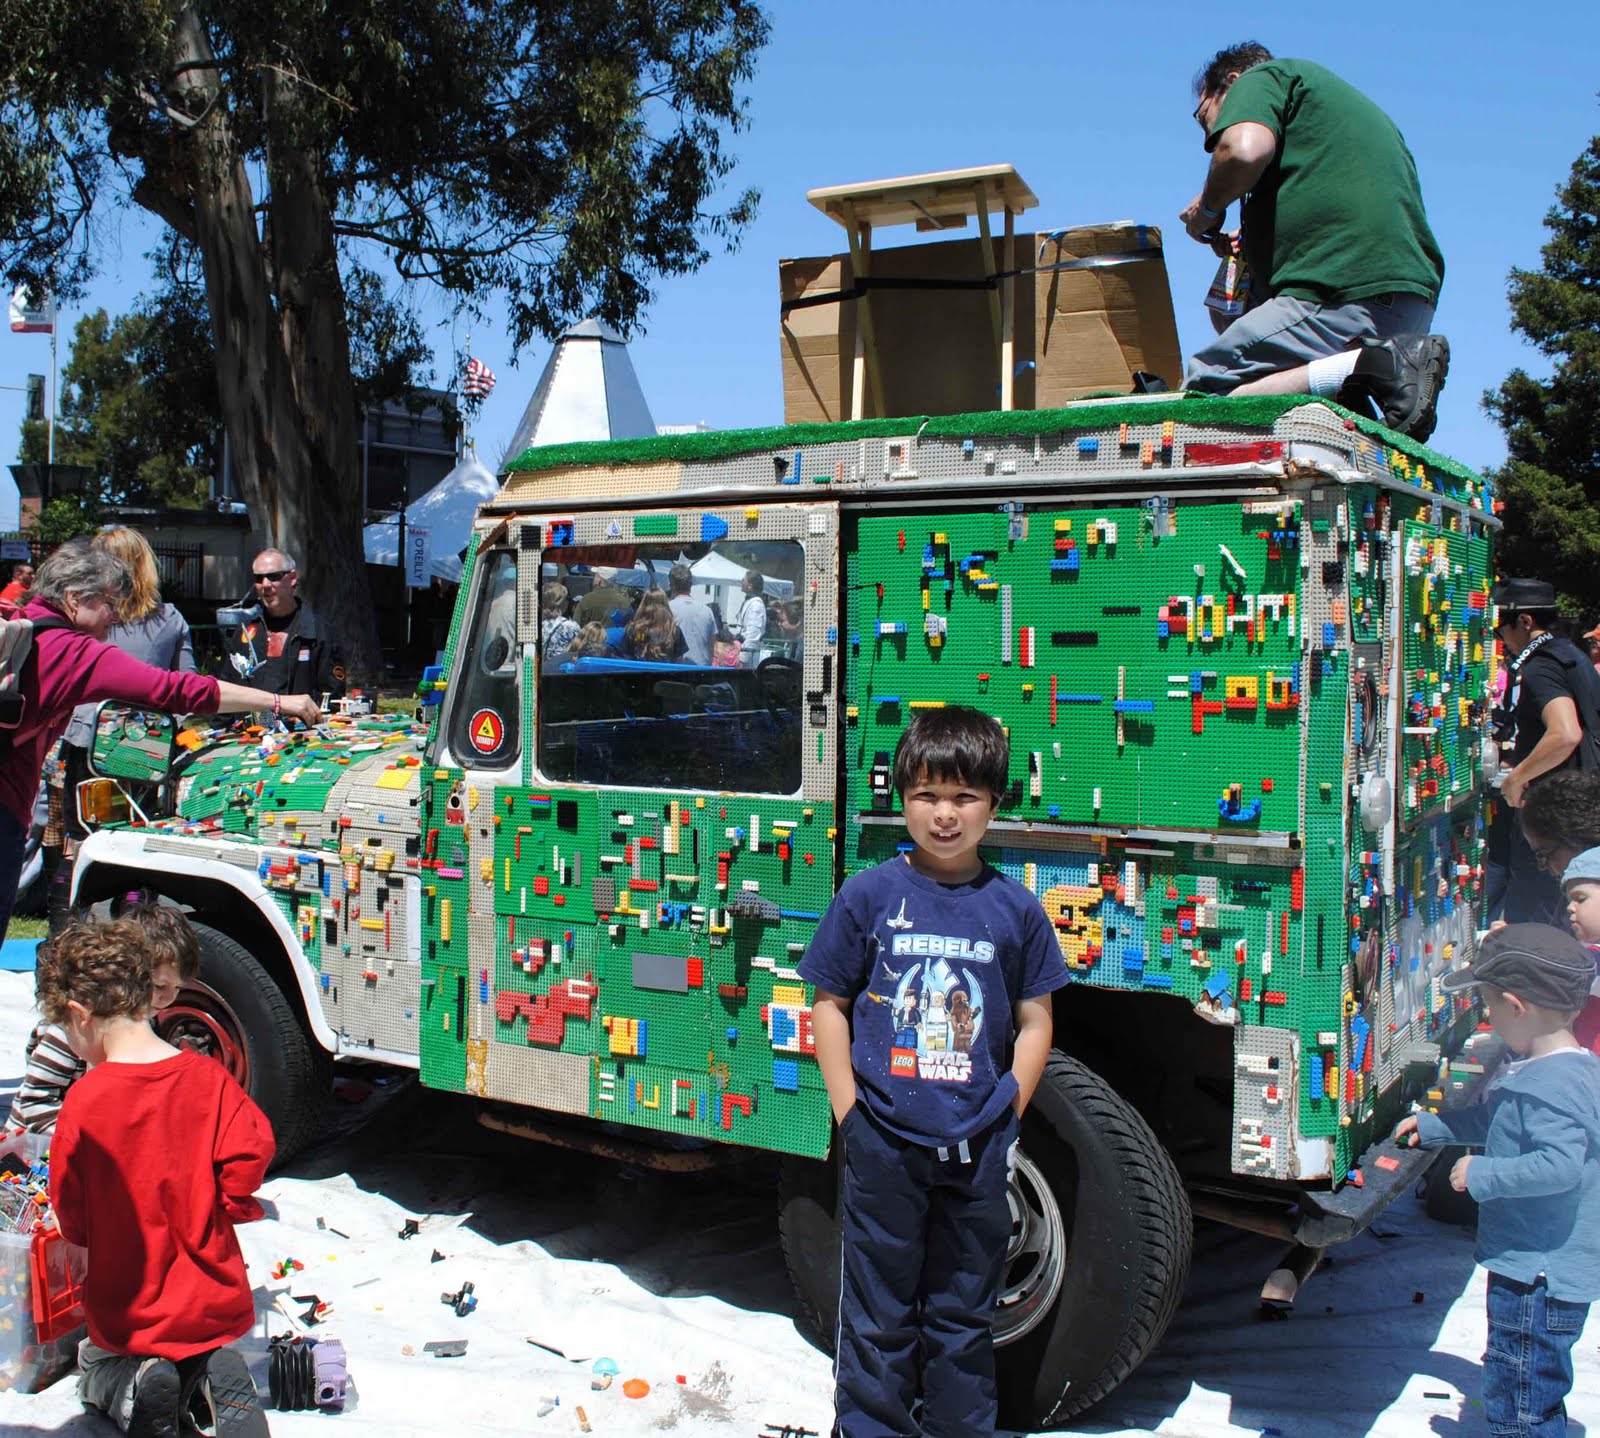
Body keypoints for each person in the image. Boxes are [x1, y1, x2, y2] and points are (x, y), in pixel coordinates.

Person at [797, 706, 1066, 1437]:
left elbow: (1036, 1022)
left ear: (994, 804)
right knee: (877, 1314)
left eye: (964, 797)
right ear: (902, 799)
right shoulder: (868, 896)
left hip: (978, 1149)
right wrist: (851, 1114)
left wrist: (1007, 1114)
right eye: (927, 795)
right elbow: (828, 1005)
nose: (945, 814)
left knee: (962, 1315)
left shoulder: (1016, 911)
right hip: (884, 1144)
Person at [0, 541, 321, 938]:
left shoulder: (24, 620)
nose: (116, 616)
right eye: (109, 603)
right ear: (74, 599)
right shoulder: (72, 651)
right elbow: (177, 690)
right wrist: (277, 701)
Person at [42, 915, 274, 1437]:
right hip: (212, 1300)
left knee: (96, 1366)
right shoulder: (209, 1077)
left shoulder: (85, 1100)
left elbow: (70, 1207)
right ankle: (209, 1378)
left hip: (132, 1309)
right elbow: (251, 1149)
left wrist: (84, 1233)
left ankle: (135, 1383)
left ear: (80, 1015)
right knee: (196, 1350)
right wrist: (225, 1204)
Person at [1180, 43, 1450, 440]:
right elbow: (1230, 321)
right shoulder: (1333, 117)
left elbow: (1242, 152)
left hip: (1342, 291)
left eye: (1204, 116)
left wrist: (1207, 208)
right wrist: (1251, 252)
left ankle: (1372, 366)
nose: (1209, 139)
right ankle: (1357, 380)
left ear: (1231, 84)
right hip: (1406, 303)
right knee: (1281, 387)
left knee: (1206, 386)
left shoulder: (1263, 79)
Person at [1395, 925, 1600, 1438]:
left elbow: (1559, 1166)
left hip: (1538, 1278)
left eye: (1488, 1005)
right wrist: (1439, 1127)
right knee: (1523, 1381)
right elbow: (1500, 1122)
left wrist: (1482, 1173)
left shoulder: (1552, 1087)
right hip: (1538, 1267)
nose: (1488, 1016)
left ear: (1516, 1007)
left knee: (1521, 1396)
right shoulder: (1563, 1068)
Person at [9, 898, 200, 1132]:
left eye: (178, 988)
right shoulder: (71, 1029)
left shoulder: (146, 1026)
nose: (169, 997)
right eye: (159, 986)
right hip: (38, 1144)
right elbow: (34, 1102)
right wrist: (88, 1137)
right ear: (128, 973)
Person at [1492, 578, 1600, 925]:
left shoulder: (1541, 665)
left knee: (1533, 920)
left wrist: (1516, 779)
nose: (1500, 638)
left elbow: (1565, 733)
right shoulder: (1574, 657)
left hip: (1551, 816)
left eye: (1501, 628)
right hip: (1581, 810)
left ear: (1525, 621)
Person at [220, 547, 345, 700]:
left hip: (299, 716)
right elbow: (227, 688)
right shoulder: (244, 631)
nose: (265, 584)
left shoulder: (319, 633)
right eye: (259, 578)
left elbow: (332, 698)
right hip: (252, 716)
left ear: (292, 578)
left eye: (273, 576)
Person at [1560, 849, 1600, 1056]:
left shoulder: (1590, 959)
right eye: (1569, 900)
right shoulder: (1588, 953)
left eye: (1580, 899)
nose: (1570, 907)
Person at [666, 564, 716, 666]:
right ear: (690, 585)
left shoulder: (666, 610)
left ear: (670, 584)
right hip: (701, 669)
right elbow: (712, 646)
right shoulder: (707, 611)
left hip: (674, 669)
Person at [621, 590, 687, 663]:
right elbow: (679, 663)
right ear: (665, 604)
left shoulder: (633, 630)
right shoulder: (674, 631)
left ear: (643, 604)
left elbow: (626, 660)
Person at [540, 580, 580, 664]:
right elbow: (578, 652)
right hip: (560, 669)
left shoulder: (536, 625)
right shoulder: (570, 626)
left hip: (541, 668)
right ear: (563, 603)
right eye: (567, 599)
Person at [734, 570, 768, 667]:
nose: (741, 581)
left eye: (743, 580)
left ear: (750, 585)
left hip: (749, 659)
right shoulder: (749, 602)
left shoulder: (756, 605)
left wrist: (743, 659)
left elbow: (753, 634)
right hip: (742, 650)